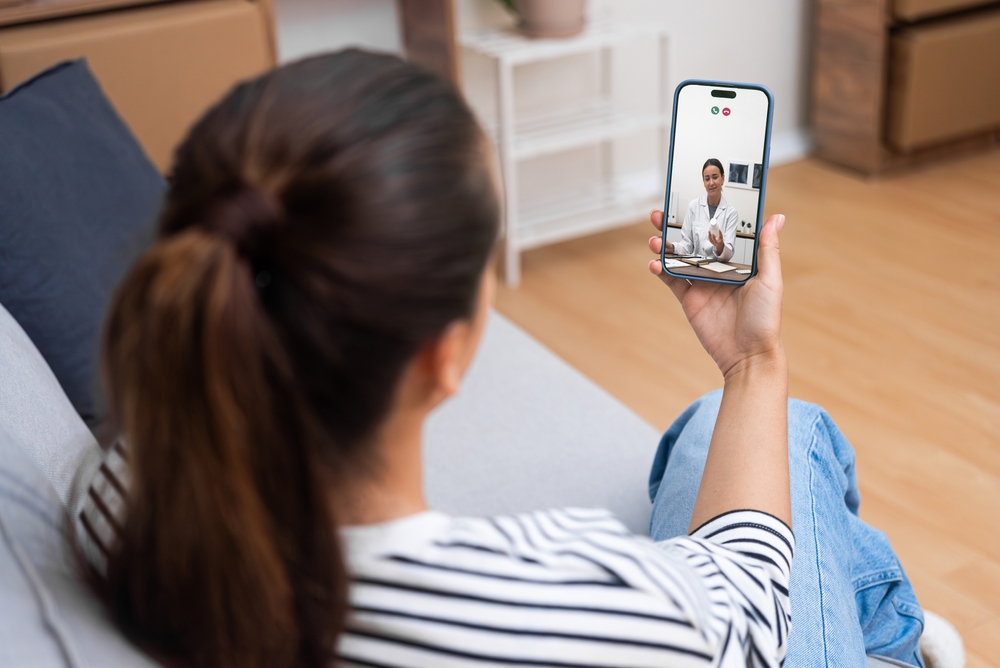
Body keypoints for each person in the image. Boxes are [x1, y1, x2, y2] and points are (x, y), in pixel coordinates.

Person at [73, 50, 924, 668]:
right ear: (444, 359)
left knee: (714, 433)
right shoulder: (553, 600)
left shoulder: (127, 494)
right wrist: (753, 364)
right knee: (786, 429)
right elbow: (753, 611)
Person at [664, 158, 740, 262]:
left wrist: (720, 245)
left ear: (722, 179)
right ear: (703, 182)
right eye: (707, 179)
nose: (711, 183)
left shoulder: (731, 213)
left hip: (718, 271)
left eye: (715, 177)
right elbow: (687, 245)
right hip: (696, 267)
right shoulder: (694, 206)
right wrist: (672, 247)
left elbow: (728, 255)